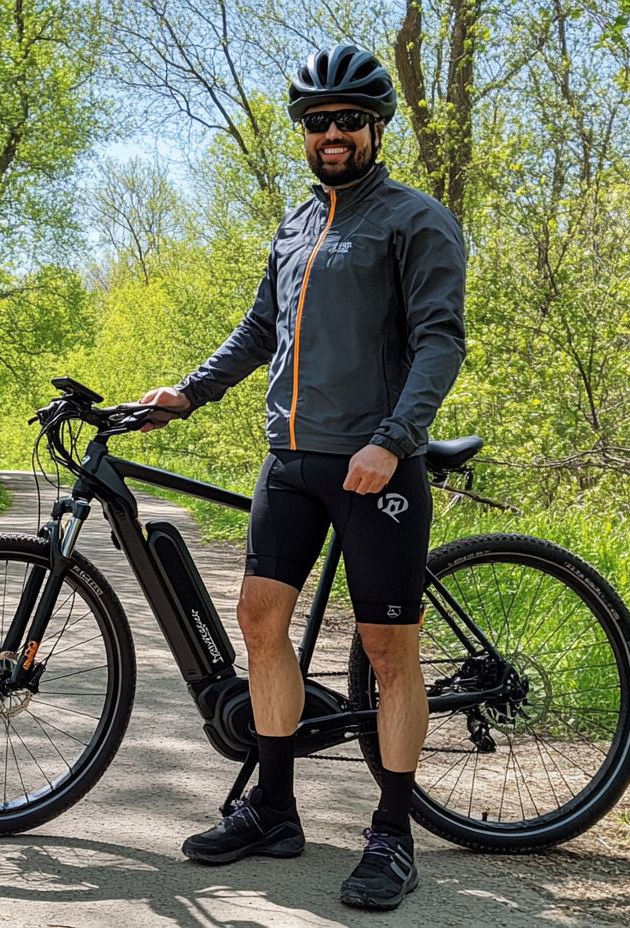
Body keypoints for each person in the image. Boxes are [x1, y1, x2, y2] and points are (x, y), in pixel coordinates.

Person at [137, 43, 467, 911]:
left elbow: (440, 340)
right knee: (259, 624)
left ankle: (392, 836)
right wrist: (190, 391)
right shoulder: (294, 224)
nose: (332, 134)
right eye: (318, 123)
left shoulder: (414, 219)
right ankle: (274, 810)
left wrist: (395, 438)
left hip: (375, 467)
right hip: (290, 460)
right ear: (305, 131)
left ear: (376, 127)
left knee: (388, 652)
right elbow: (260, 331)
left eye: (349, 122)